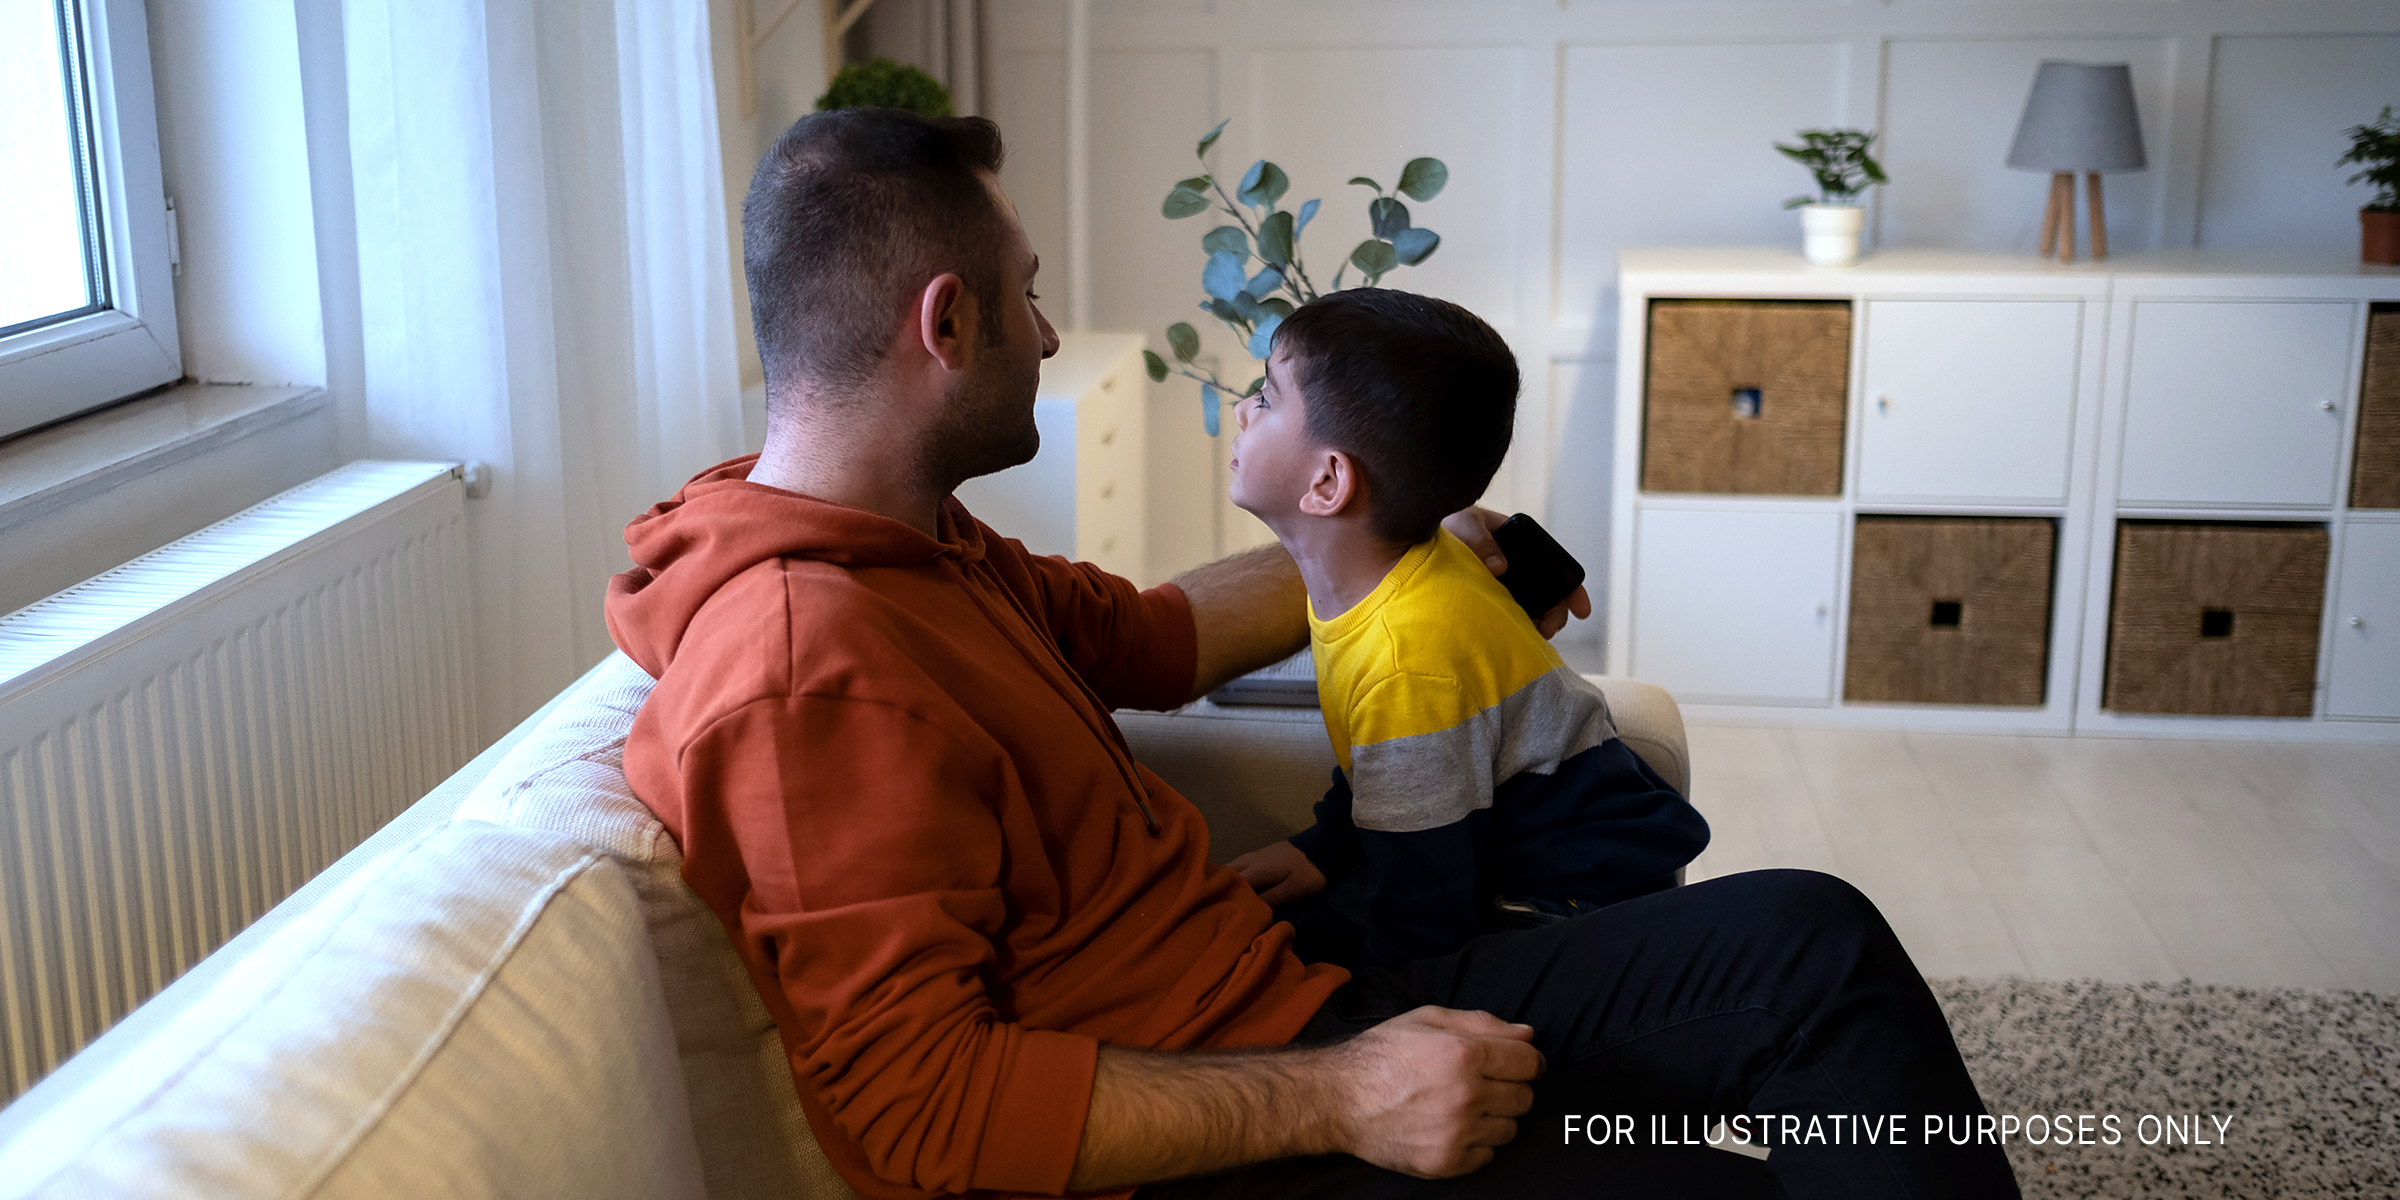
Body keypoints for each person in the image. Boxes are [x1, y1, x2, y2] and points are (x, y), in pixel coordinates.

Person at [607, 107, 2021, 1200]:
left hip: (1287, 1003)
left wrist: (1398, 542)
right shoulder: (807, 665)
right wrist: (1346, 1097)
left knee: (1812, 942)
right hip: (1236, 1135)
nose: (1044, 334)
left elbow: (1158, 639)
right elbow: (919, 1107)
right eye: (1026, 297)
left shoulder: (923, 545)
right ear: (947, 321)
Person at [1220, 289, 1710, 972]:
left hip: (1562, 905)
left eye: (1266, 397)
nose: (1242, 408)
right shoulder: (1387, 571)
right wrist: (1322, 847)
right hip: (1504, 855)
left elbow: (1423, 918)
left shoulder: (1406, 655)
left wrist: (1376, 1036)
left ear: (1328, 483)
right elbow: (1377, 758)